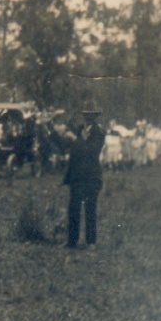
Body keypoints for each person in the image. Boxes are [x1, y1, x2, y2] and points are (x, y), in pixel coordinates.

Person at [63, 104, 106, 249]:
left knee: (90, 208)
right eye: (85, 114)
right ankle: (72, 240)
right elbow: (67, 144)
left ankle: (91, 242)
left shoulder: (99, 132)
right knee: (73, 208)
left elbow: (91, 151)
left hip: (91, 176)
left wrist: (76, 140)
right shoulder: (80, 129)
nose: (87, 117)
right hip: (77, 175)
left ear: (95, 117)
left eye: (91, 115)